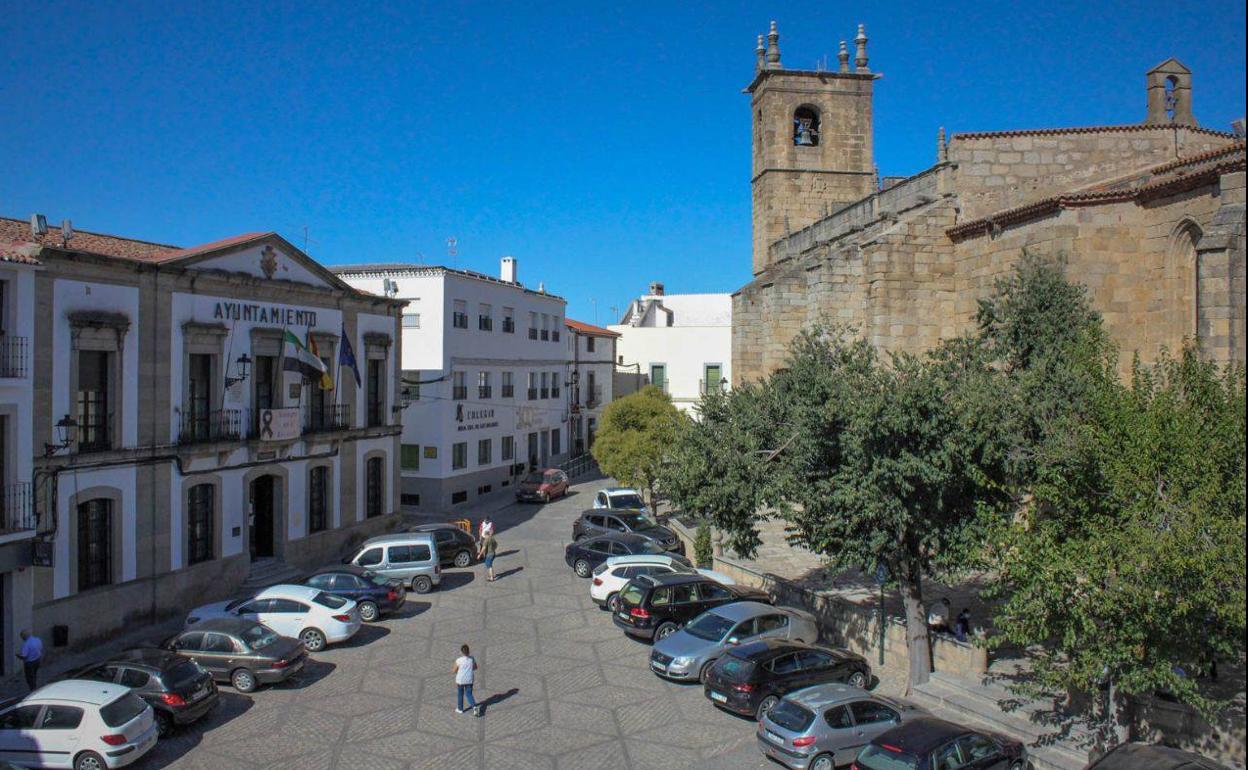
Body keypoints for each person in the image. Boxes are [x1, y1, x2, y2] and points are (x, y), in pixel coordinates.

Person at [453, 644, 480, 716]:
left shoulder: (458, 660)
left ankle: (460, 709)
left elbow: (454, 670)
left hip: (460, 680)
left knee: (460, 694)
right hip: (469, 679)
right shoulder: (472, 659)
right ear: (469, 651)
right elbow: (475, 667)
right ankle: (474, 707)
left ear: (461, 652)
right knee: (469, 694)